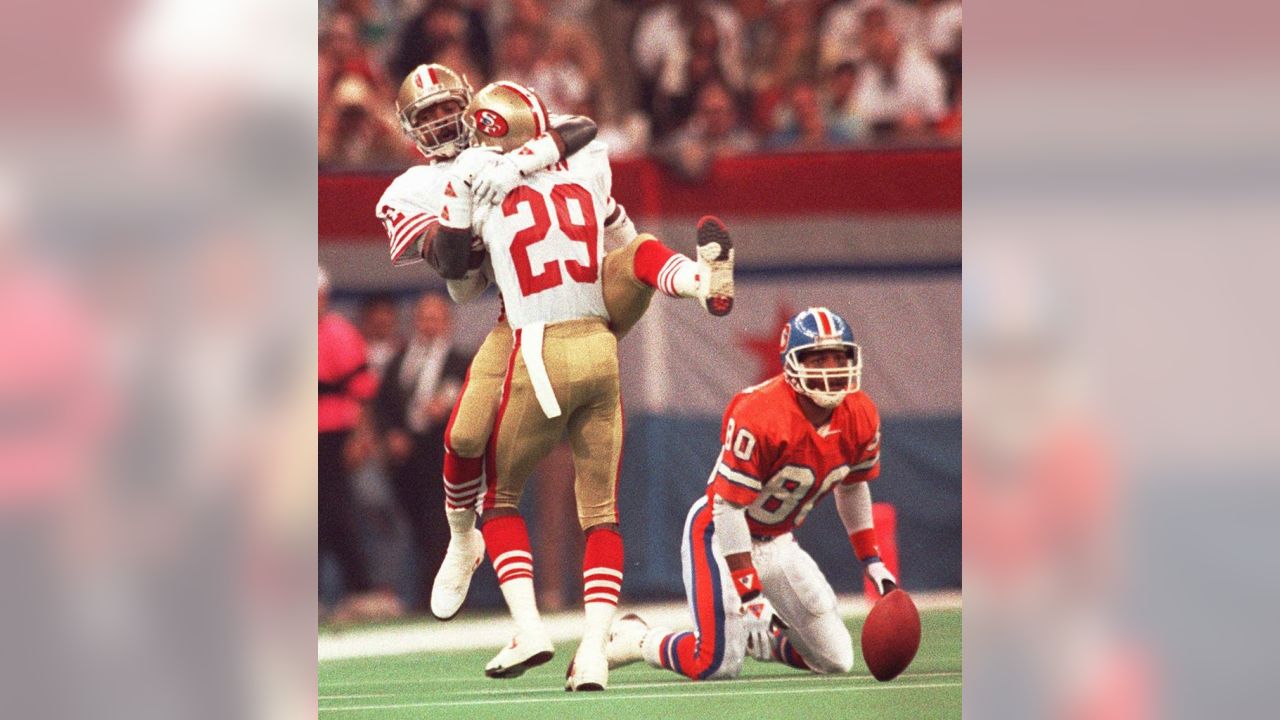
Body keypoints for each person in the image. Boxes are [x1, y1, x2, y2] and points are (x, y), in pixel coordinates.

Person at [373, 63, 735, 627]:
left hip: (590, 286)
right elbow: (456, 277)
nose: (443, 121)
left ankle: (700, 279)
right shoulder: (412, 189)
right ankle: (462, 541)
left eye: (449, 107)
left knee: (634, 250)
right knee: (465, 436)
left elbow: (583, 130)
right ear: (410, 127)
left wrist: (518, 160)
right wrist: (463, 197)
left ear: (470, 104)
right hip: (516, 312)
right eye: (429, 114)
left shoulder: (514, 135)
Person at [607, 307, 898, 680]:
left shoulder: (861, 414)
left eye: (839, 358)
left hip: (776, 540)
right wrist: (751, 595)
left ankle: (763, 641)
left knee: (836, 659)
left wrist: (871, 558)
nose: (832, 370)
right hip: (721, 534)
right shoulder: (760, 413)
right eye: (819, 359)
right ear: (792, 365)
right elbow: (728, 508)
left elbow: (853, 484)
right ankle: (640, 639)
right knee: (716, 664)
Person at [371, 293, 469, 613]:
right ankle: (414, 596)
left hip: (441, 454)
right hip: (404, 458)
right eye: (424, 317)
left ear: (447, 323)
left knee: (440, 528)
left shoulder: (459, 362)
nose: (429, 324)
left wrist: (448, 406)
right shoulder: (400, 361)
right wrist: (391, 435)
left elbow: (471, 402)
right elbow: (382, 404)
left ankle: (438, 601)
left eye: (436, 318)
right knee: (408, 526)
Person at [317, 266, 401, 622]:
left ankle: (363, 589)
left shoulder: (338, 333)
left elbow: (363, 393)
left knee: (338, 511)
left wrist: (360, 436)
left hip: (336, 433)